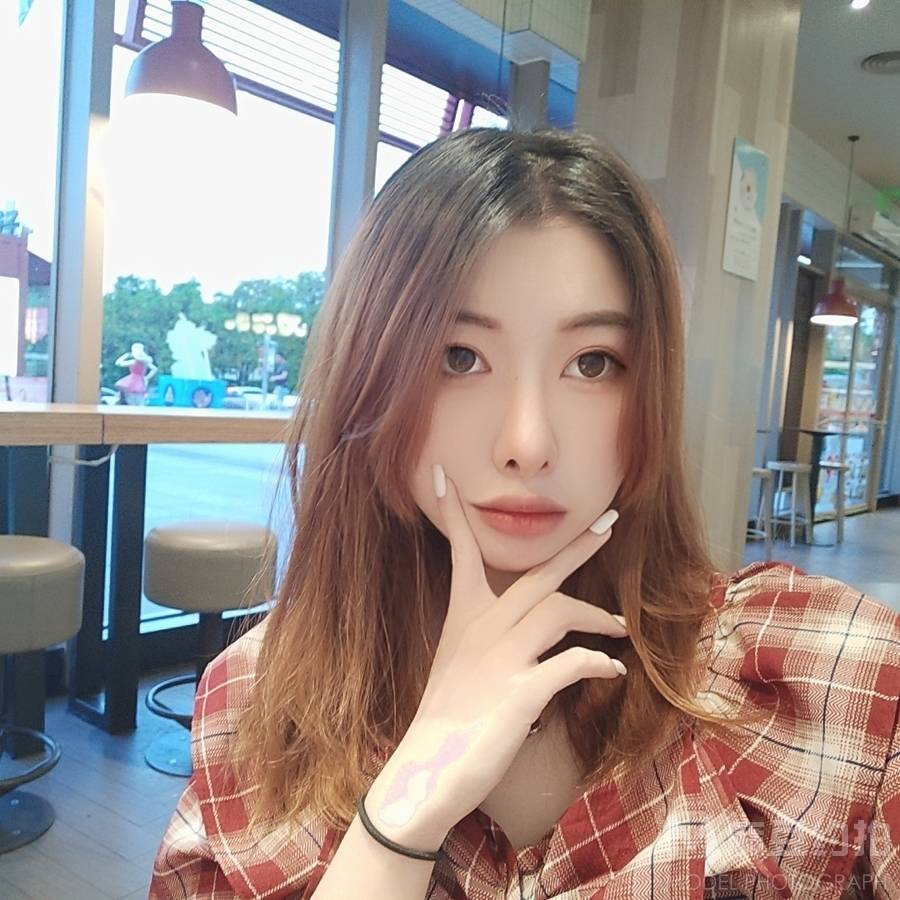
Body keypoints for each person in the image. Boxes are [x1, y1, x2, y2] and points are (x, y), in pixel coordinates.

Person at [149, 129, 899, 899]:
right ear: (368, 374)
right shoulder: (257, 702)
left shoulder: (829, 674)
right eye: (459, 357)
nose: (527, 444)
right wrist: (399, 817)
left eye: (593, 363)